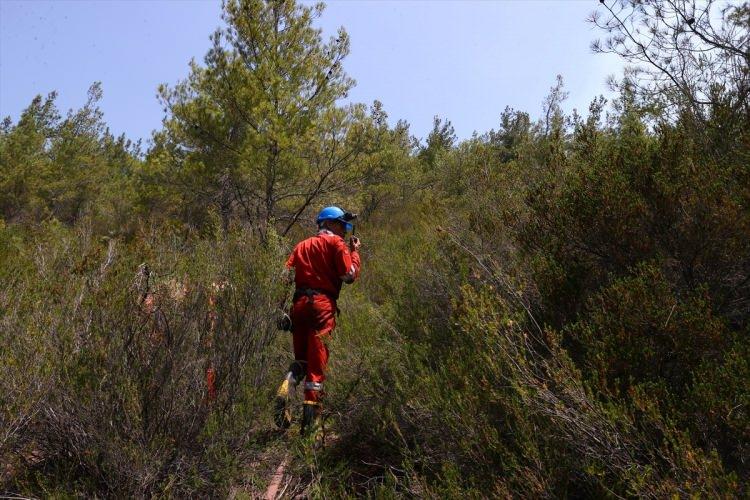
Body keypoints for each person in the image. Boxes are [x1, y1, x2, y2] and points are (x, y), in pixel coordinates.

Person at [275, 206, 361, 435]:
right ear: (329, 224)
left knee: (301, 359)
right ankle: (309, 429)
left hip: (299, 306)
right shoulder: (336, 245)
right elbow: (349, 276)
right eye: (342, 223)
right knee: (317, 367)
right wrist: (354, 254)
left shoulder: (301, 245)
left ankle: (289, 382)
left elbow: (285, 277)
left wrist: (280, 309)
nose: (344, 228)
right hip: (322, 307)